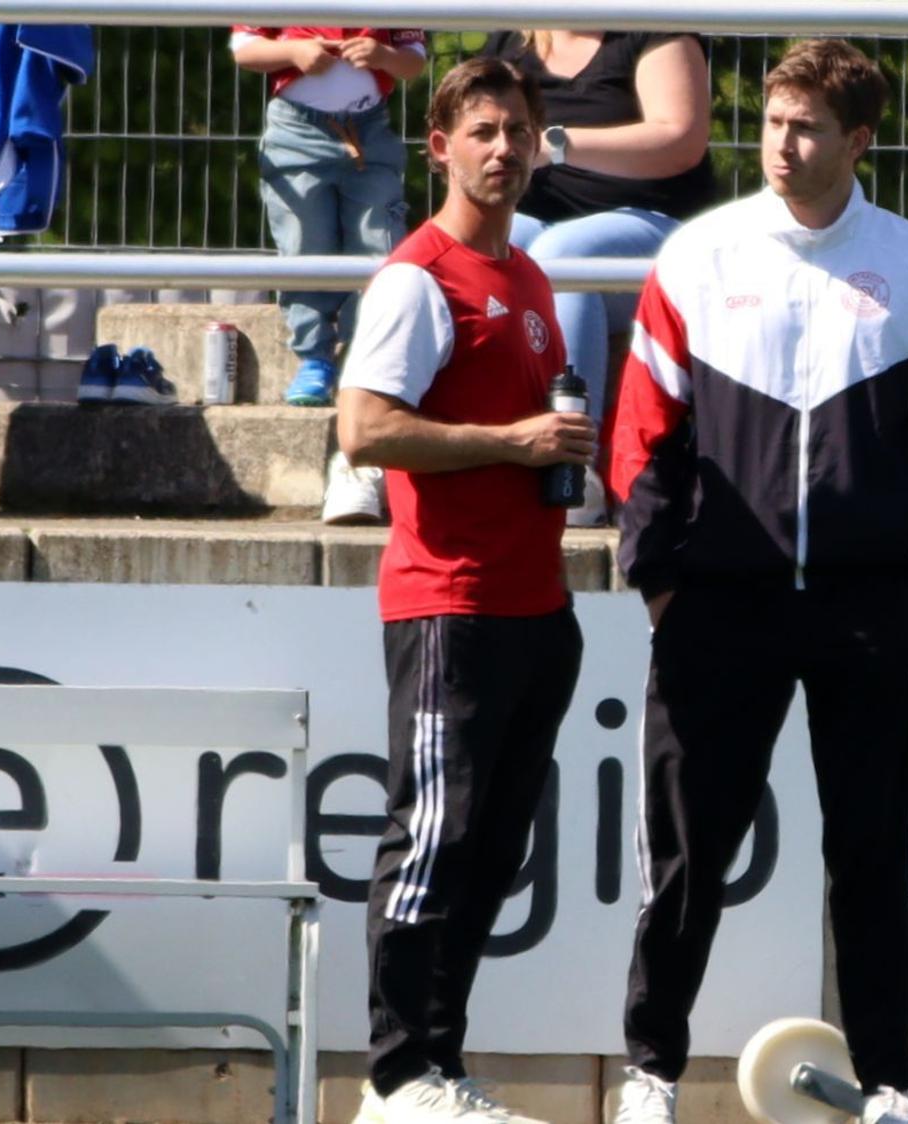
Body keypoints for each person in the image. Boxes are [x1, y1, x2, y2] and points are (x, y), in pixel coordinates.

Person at [605, 39, 908, 1124]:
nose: (782, 141)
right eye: (772, 120)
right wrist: (660, 578)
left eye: (808, 125)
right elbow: (642, 436)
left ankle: (888, 1083)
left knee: (870, 865)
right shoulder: (696, 254)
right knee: (685, 859)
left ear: (857, 141)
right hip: (716, 604)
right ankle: (650, 1073)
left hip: (871, 609)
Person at [334, 56, 595, 1124]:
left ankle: (437, 1065)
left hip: (535, 604)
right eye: (481, 131)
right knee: (431, 837)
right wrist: (509, 439)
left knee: (492, 850)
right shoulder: (418, 276)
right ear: (438, 146)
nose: (502, 149)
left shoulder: (526, 277)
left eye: (518, 131)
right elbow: (363, 430)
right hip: (452, 602)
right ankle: (393, 1075)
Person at [478, 28, 718, 525]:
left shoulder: (651, 30)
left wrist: (558, 145)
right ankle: (443, 451)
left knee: (565, 257)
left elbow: (680, 140)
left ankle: (571, 467)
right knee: (475, 250)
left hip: (651, 221)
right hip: (538, 222)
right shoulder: (510, 40)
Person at [230, 24, 425, 417]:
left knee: (379, 246)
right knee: (304, 245)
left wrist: (384, 57)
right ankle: (314, 358)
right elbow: (244, 49)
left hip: (370, 131)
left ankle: (363, 360)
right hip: (295, 133)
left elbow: (414, 61)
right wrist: (294, 53)